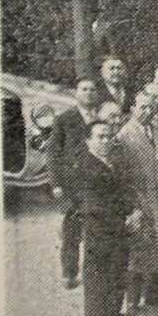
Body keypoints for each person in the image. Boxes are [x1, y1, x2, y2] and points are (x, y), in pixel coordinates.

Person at [73, 121, 141, 316]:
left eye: (108, 137)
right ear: (88, 140)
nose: (105, 141)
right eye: (100, 137)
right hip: (99, 234)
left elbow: (125, 191)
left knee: (117, 280)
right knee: (98, 285)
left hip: (118, 232)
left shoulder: (113, 162)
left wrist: (134, 211)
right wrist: (124, 221)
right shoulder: (85, 167)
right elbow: (93, 207)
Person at [115, 92, 158, 311]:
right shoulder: (124, 136)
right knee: (140, 252)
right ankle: (132, 300)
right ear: (133, 107)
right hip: (140, 200)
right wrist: (132, 204)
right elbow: (123, 174)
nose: (147, 111)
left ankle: (156, 293)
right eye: (143, 107)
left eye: (151, 107)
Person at [48, 77, 99, 289]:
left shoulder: (101, 116)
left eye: (92, 89)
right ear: (76, 93)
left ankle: (95, 272)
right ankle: (70, 272)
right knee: (71, 231)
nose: (88, 93)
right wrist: (56, 184)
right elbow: (53, 152)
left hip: (96, 183)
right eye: (83, 89)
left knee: (97, 229)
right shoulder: (64, 119)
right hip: (73, 185)